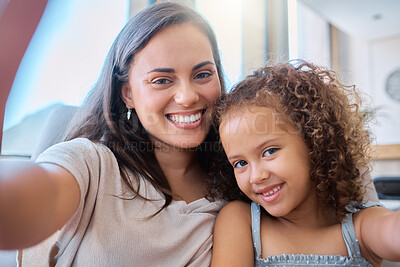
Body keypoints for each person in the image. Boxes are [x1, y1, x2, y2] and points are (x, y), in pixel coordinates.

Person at [0, 2, 232, 266]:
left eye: (202, 74)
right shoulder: (90, 164)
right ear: (128, 94)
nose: (188, 97)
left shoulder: (242, 185)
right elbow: (20, 209)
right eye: (162, 80)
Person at [211, 60, 400, 266]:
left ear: (314, 142)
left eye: (270, 151)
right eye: (240, 163)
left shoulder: (361, 226)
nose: (256, 176)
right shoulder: (240, 221)